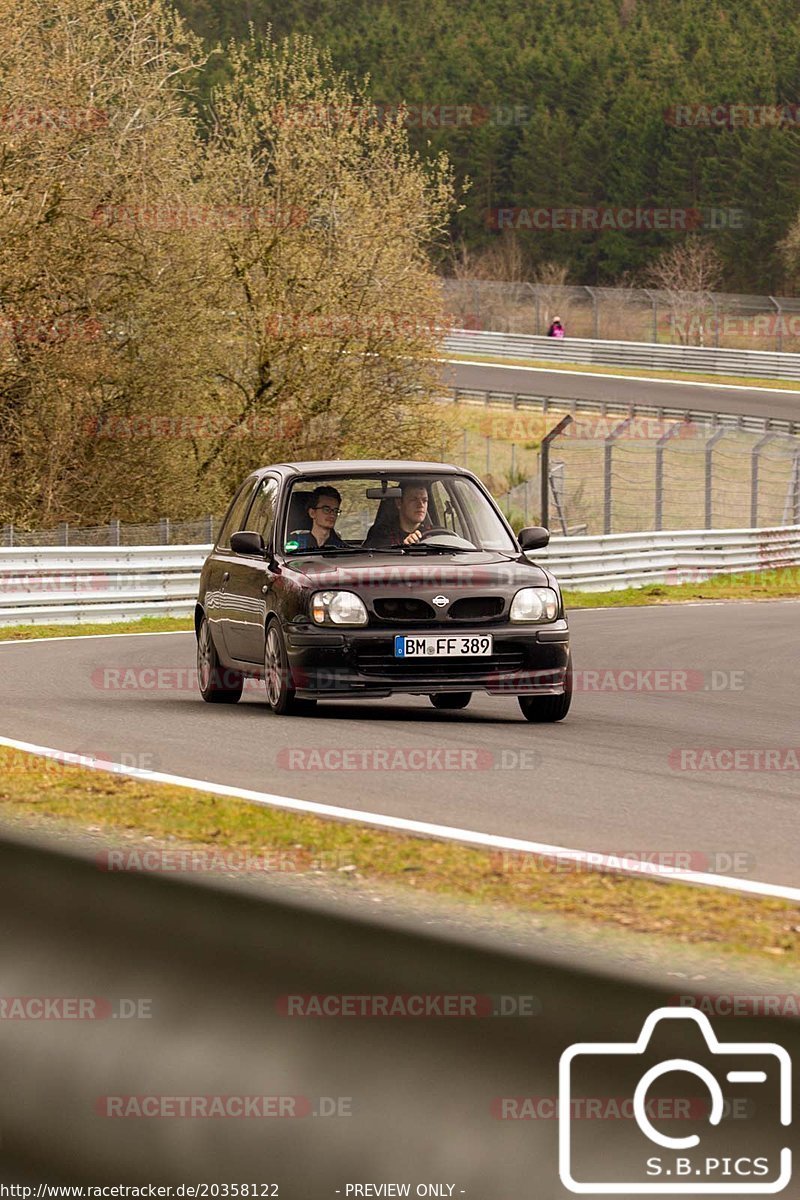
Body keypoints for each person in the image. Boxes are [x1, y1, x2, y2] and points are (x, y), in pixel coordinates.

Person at [364, 480, 431, 547]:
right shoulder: (380, 535)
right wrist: (403, 548)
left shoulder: (435, 534)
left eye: (425, 500)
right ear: (399, 503)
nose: (421, 505)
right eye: (414, 499)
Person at [288, 486, 347, 550]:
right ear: (312, 513)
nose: (332, 515)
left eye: (335, 511)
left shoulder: (341, 549)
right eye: (326, 509)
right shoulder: (294, 544)